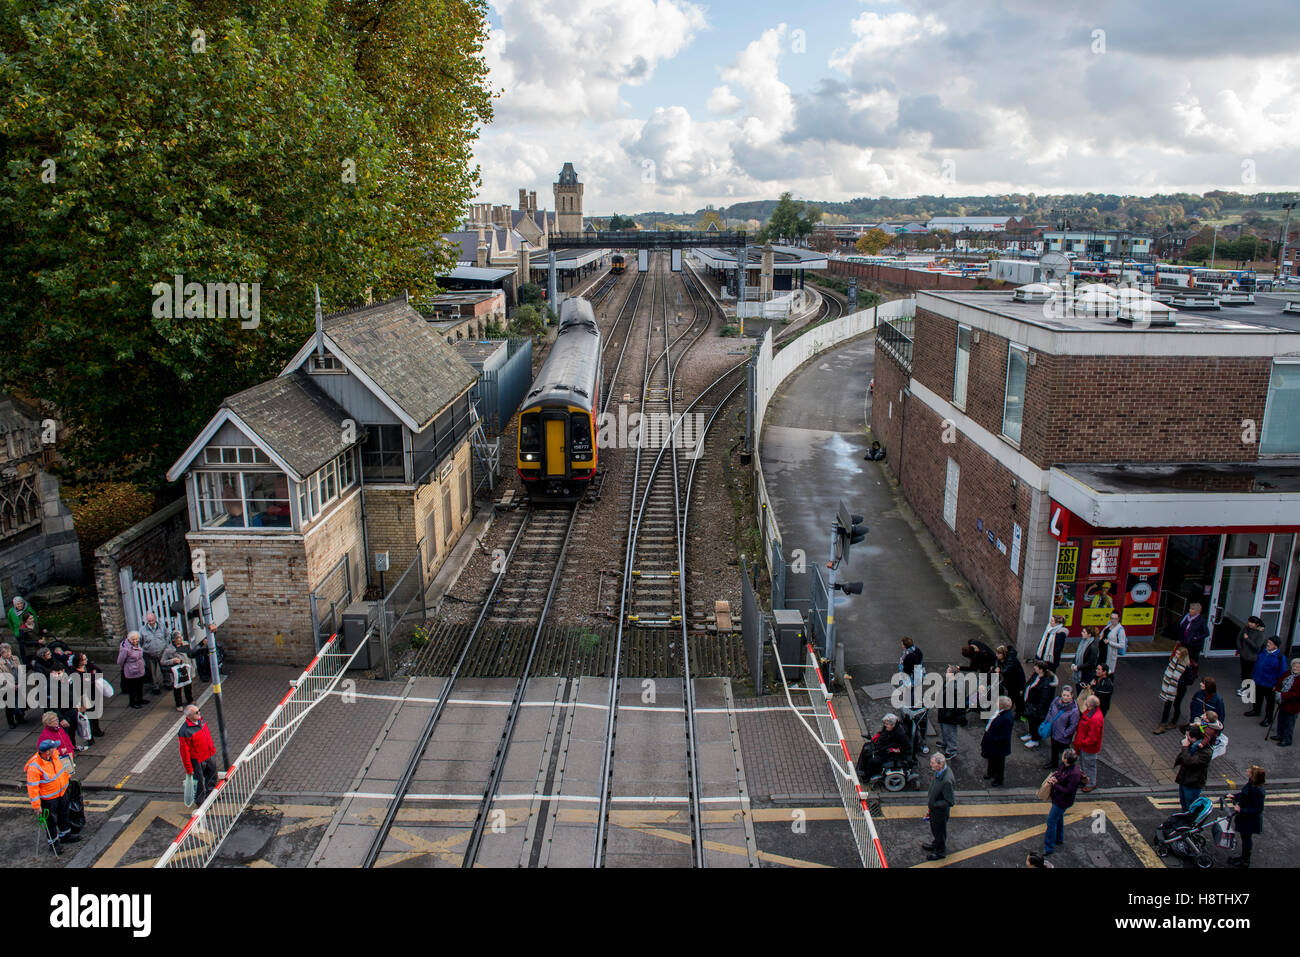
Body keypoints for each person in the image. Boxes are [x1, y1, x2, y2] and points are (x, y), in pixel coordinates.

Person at [26, 738, 79, 848]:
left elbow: (62, 771)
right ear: (47, 752)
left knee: (64, 815)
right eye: (53, 747)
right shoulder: (34, 767)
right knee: (51, 821)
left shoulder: (54, 756)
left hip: (62, 793)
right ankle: (53, 843)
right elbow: (32, 788)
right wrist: (36, 806)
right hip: (49, 799)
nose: (56, 748)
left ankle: (65, 835)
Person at [1043, 748, 1083, 856]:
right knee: (1058, 818)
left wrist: (1055, 784)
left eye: (1064, 755)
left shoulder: (1074, 774)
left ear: (1066, 759)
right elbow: (1059, 773)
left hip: (1062, 801)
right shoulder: (1065, 766)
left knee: (1051, 822)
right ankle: (1059, 839)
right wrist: (1054, 778)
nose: (1062, 756)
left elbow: (1068, 790)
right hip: (1058, 798)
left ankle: (1049, 847)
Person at [179, 704, 219, 806]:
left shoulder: (202, 721)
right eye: (196, 712)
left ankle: (211, 796)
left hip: (208, 755)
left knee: (213, 775)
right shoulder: (185, 731)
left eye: (199, 710)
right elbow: (184, 752)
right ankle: (201, 802)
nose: (199, 713)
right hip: (197, 760)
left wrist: (212, 748)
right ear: (189, 716)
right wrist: (189, 769)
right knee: (199, 782)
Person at [1226, 766, 1265, 867]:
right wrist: (1235, 796)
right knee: (1245, 838)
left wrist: (1241, 810)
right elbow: (1244, 794)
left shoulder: (1258, 791)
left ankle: (1245, 861)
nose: (1247, 771)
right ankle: (1243, 857)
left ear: (1253, 775)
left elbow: (1258, 809)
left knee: (1247, 839)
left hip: (1250, 820)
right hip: (1245, 817)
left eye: (1249, 771)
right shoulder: (1251, 783)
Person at [856, 713, 909, 781]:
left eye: (887, 724)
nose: (885, 725)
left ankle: (867, 776)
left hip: (891, 752)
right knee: (866, 746)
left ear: (893, 725)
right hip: (884, 746)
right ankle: (860, 769)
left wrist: (893, 750)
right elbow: (882, 733)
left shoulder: (900, 734)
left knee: (872, 759)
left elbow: (906, 747)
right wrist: (877, 736)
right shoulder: (890, 728)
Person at [922, 753, 955, 861]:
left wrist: (935, 805)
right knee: (936, 830)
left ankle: (940, 852)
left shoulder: (946, 781)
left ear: (940, 765)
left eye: (933, 763)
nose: (930, 765)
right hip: (934, 810)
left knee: (939, 832)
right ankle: (935, 844)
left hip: (939, 812)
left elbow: (949, 801)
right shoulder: (940, 772)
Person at [1248, 637, 1286, 727]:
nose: (1268, 644)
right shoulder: (1263, 651)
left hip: (1270, 684)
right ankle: (1256, 711)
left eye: (1270, 643)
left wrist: (1277, 685)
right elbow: (1257, 664)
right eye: (1268, 642)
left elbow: (1283, 673)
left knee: (1270, 702)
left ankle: (1268, 718)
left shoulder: (1280, 657)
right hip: (1258, 680)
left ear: (1275, 646)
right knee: (1257, 697)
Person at [1174, 725, 1213, 812]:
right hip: (1185, 780)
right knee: (1183, 803)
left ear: (1194, 738)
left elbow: (1189, 761)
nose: (1186, 739)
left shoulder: (1206, 752)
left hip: (1193, 783)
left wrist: (1185, 747)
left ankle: (1190, 823)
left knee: (1190, 806)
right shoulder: (1193, 746)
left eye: (1188, 737)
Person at [1154, 646, 1191, 733]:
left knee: (1176, 704)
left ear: (1183, 656)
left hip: (1179, 689)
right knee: (1167, 705)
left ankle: (1173, 722)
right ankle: (1163, 724)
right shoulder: (1174, 661)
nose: (1176, 655)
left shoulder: (1186, 667)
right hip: (1170, 688)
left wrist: (1180, 682)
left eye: (1178, 654)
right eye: (1176, 653)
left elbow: (1189, 680)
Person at [70, 654, 106, 741]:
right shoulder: (75, 673)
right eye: (84, 659)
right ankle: (89, 738)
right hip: (83, 697)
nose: (86, 660)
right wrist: (92, 678)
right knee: (87, 717)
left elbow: (99, 671)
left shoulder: (88, 666)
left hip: (92, 694)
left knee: (94, 713)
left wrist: (92, 677)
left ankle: (96, 730)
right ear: (79, 662)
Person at [1022, 661, 1057, 750]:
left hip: (1037, 707)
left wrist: (1038, 708)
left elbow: (1044, 698)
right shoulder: (1036, 675)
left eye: (1036, 666)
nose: (1034, 667)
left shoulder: (1045, 682)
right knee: (1031, 721)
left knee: (1036, 723)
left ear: (1041, 669)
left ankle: (1035, 739)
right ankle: (1031, 734)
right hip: (1030, 703)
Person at [1043, 686, 1079, 770]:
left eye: (1068, 695)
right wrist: (1047, 721)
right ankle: (1053, 763)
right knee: (1054, 749)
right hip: (1054, 731)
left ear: (1072, 696)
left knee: (1064, 753)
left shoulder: (1074, 710)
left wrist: (1065, 733)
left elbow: (1073, 725)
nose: (1065, 697)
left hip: (1063, 736)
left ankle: (1065, 767)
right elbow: (1050, 710)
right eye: (1064, 695)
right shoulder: (1056, 701)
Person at [980, 696, 1014, 787]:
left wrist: (995, 739)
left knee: (999, 763)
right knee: (991, 759)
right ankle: (990, 773)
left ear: (1002, 705)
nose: (996, 703)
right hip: (992, 742)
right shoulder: (1000, 712)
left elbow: (1006, 734)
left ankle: (999, 779)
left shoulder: (1007, 717)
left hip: (999, 745)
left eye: (998, 702)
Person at [1073, 695, 1104, 792]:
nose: (1085, 702)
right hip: (1084, 746)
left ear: (1090, 705)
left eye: (1086, 701)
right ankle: (1086, 779)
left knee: (1089, 765)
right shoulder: (1092, 712)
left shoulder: (1095, 718)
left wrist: (1082, 742)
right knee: (1084, 764)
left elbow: (1093, 738)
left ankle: (1091, 783)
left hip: (1088, 748)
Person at [936, 664, 967, 760]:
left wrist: (949, 714)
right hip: (945, 710)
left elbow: (957, 703)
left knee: (950, 731)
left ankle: (951, 750)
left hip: (950, 714)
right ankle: (946, 743)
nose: (946, 672)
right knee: (945, 729)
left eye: (948, 671)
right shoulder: (951, 681)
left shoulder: (955, 686)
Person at [160, 632, 196, 711]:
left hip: (186, 669)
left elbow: (190, 655)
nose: (181, 639)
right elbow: (162, 661)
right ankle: (179, 704)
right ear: (174, 640)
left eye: (181, 637)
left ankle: (190, 700)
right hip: (177, 672)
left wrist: (192, 667)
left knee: (188, 686)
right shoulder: (169, 650)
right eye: (178, 638)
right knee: (177, 689)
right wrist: (172, 661)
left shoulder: (186, 644)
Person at [7, 596, 46, 661]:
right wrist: (15, 631)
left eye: (21, 603)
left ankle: (37, 662)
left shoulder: (28, 609)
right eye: (18, 604)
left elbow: (34, 618)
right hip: (18, 633)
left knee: (34, 647)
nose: (20, 605)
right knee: (22, 649)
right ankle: (25, 666)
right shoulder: (11, 611)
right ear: (14, 605)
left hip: (29, 631)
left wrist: (35, 627)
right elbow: (10, 623)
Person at [140, 612, 169, 695]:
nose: (151, 622)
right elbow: (141, 642)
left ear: (155, 619)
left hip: (162, 652)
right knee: (152, 671)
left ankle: (167, 682)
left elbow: (167, 635)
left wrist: (166, 646)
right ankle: (155, 686)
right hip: (149, 654)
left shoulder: (162, 626)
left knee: (165, 668)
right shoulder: (142, 630)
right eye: (149, 621)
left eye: (152, 620)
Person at [1273, 658, 1300, 747]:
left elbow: (1296, 694)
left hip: (1293, 705)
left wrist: (1282, 695)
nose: (1295, 668)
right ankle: (1280, 735)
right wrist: (1277, 689)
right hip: (1283, 702)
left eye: (1297, 667)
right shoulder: (1288, 673)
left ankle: (1287, 739)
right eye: (1294, 666)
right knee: (1281, 720)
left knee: (1289, 723)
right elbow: (1280, 682)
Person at [118, 631, 147, 709]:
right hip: (131, 670)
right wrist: (125, 667)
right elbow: (120, 661)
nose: (135, 641)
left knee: (140, 686)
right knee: (132, 688)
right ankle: (133, 702)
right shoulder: (125, 649)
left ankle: (140, 699)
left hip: (140, 669)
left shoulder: (138, 644)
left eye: (136, 639)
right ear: (129, 639)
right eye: (133, 640)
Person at [1237, 615, 1267, 692]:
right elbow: (1239, 638)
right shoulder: (1245, 629)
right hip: (1243, 655)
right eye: (1249, 622)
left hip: (1252, 657)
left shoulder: (1260, 634)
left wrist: (1247, 639)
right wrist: (1240, 649)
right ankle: (1244, 687)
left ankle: (1248, 688)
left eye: (1252, 622)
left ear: (1257, 624)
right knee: (1244, 672)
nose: (1250, 624)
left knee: (1249, 673)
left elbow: (1257, 647)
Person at [995, 645, 1026, 719]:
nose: (997, 655)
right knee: (1016, 698)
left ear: (1003, 654)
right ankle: (1018, 712)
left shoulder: (1011, 660)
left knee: (1014, 697)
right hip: (1012, 682)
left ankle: (1014, 713)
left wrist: (999, 670)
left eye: (998, 654)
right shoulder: (1007, 659)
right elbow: (997, 662)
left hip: (1016, 683)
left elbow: (1006, 670)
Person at [0, 642, 25, 727]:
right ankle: (11, 722)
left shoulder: (15, 658)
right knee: (10, 705)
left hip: (18, 683)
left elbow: (21, 670)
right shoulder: (0, 663)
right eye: (6, 652)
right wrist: (12, 686)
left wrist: (20, 683)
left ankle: (20, 718)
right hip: (7, 686)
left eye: (9, 651)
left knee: (19, 701)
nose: (9, 653)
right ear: (2, 653)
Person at [1072, 626, 1101, 692]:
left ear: (1089, 635)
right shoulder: (1082, 642)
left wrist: (1078, 667)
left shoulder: (1093, 647)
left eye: (1084, 632)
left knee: (1083, 692)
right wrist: (1073, 663)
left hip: (1086, 675)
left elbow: (1090, 663)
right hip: (1080, 673)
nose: (1081, 633)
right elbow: (1077, 655)